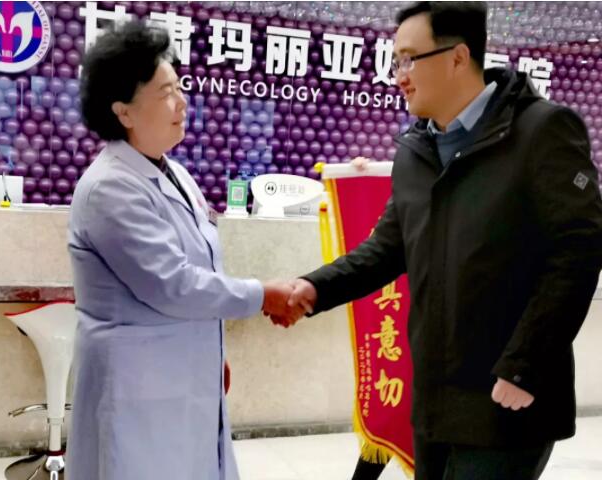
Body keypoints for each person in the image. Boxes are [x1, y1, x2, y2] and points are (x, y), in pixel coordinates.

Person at [276, 2, 602, 479]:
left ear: (457, 57)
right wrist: (315, 287)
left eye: (409, 59)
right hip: (434, 399)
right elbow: (387, 248)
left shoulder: (540, 130)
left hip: (508, 398)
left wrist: (524, 365)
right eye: (394, 62)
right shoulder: (417, 150)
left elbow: (578, 252)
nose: (399, 76)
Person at [66, 21, 296, 480]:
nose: (182, 102)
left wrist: (213, 349)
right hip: (135, 383)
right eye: (166, 92)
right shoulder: (110, 188)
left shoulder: (173, 173)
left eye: (180, 87)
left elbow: (200, 266)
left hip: (182, 372)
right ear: (124, 112)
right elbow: (172, 283)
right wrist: (262, 294)